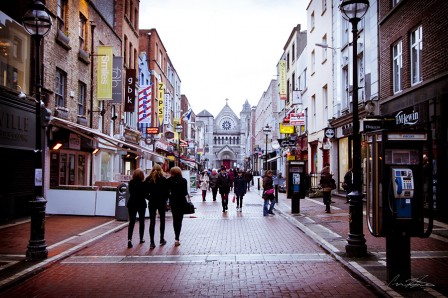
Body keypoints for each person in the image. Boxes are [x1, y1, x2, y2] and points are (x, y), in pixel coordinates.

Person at [145, 164, 169, 249]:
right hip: (161, 202)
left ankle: (152, 242)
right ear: (161, 170)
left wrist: (150, 198)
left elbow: (145, 193)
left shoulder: (148, 179)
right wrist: (164, 199)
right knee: (162, 220)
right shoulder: (163, 179)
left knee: (152, 221)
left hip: (152, 202)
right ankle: (161, 239)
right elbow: (167, 193)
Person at [167, 166, 189, 246]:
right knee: (179, 220)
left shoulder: (169, 180)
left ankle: (176, 236)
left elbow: (167, 192)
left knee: (175, 219)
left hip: (173, 202)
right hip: (181, 202)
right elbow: (185, 193)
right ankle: (177, 237)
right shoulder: (183, 180)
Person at [126, 168, 147, 248]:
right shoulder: (144, 183)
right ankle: (141, 238)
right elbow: (145, 194)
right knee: (142, 221)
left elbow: (131, 193)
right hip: (141, 203)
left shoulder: (131, 182)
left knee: (132, 221)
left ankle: (129, 239)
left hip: (132, 203)